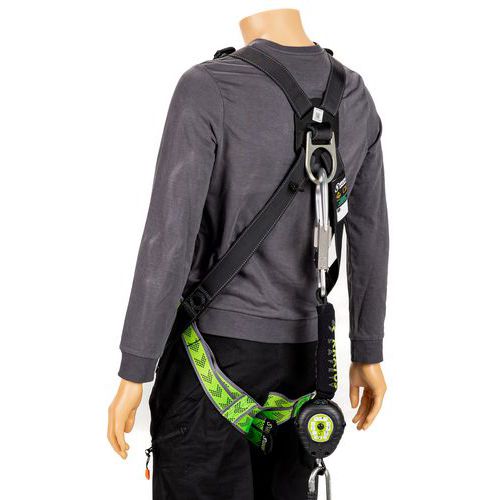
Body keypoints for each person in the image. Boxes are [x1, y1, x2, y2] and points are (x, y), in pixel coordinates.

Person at [108, 8, 389, 500]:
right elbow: (369, 231)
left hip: (211, 362)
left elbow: (168, 238)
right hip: (306, 369)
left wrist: (136, 368)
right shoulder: (355, 95)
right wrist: (367, 350)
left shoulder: (208, 88)